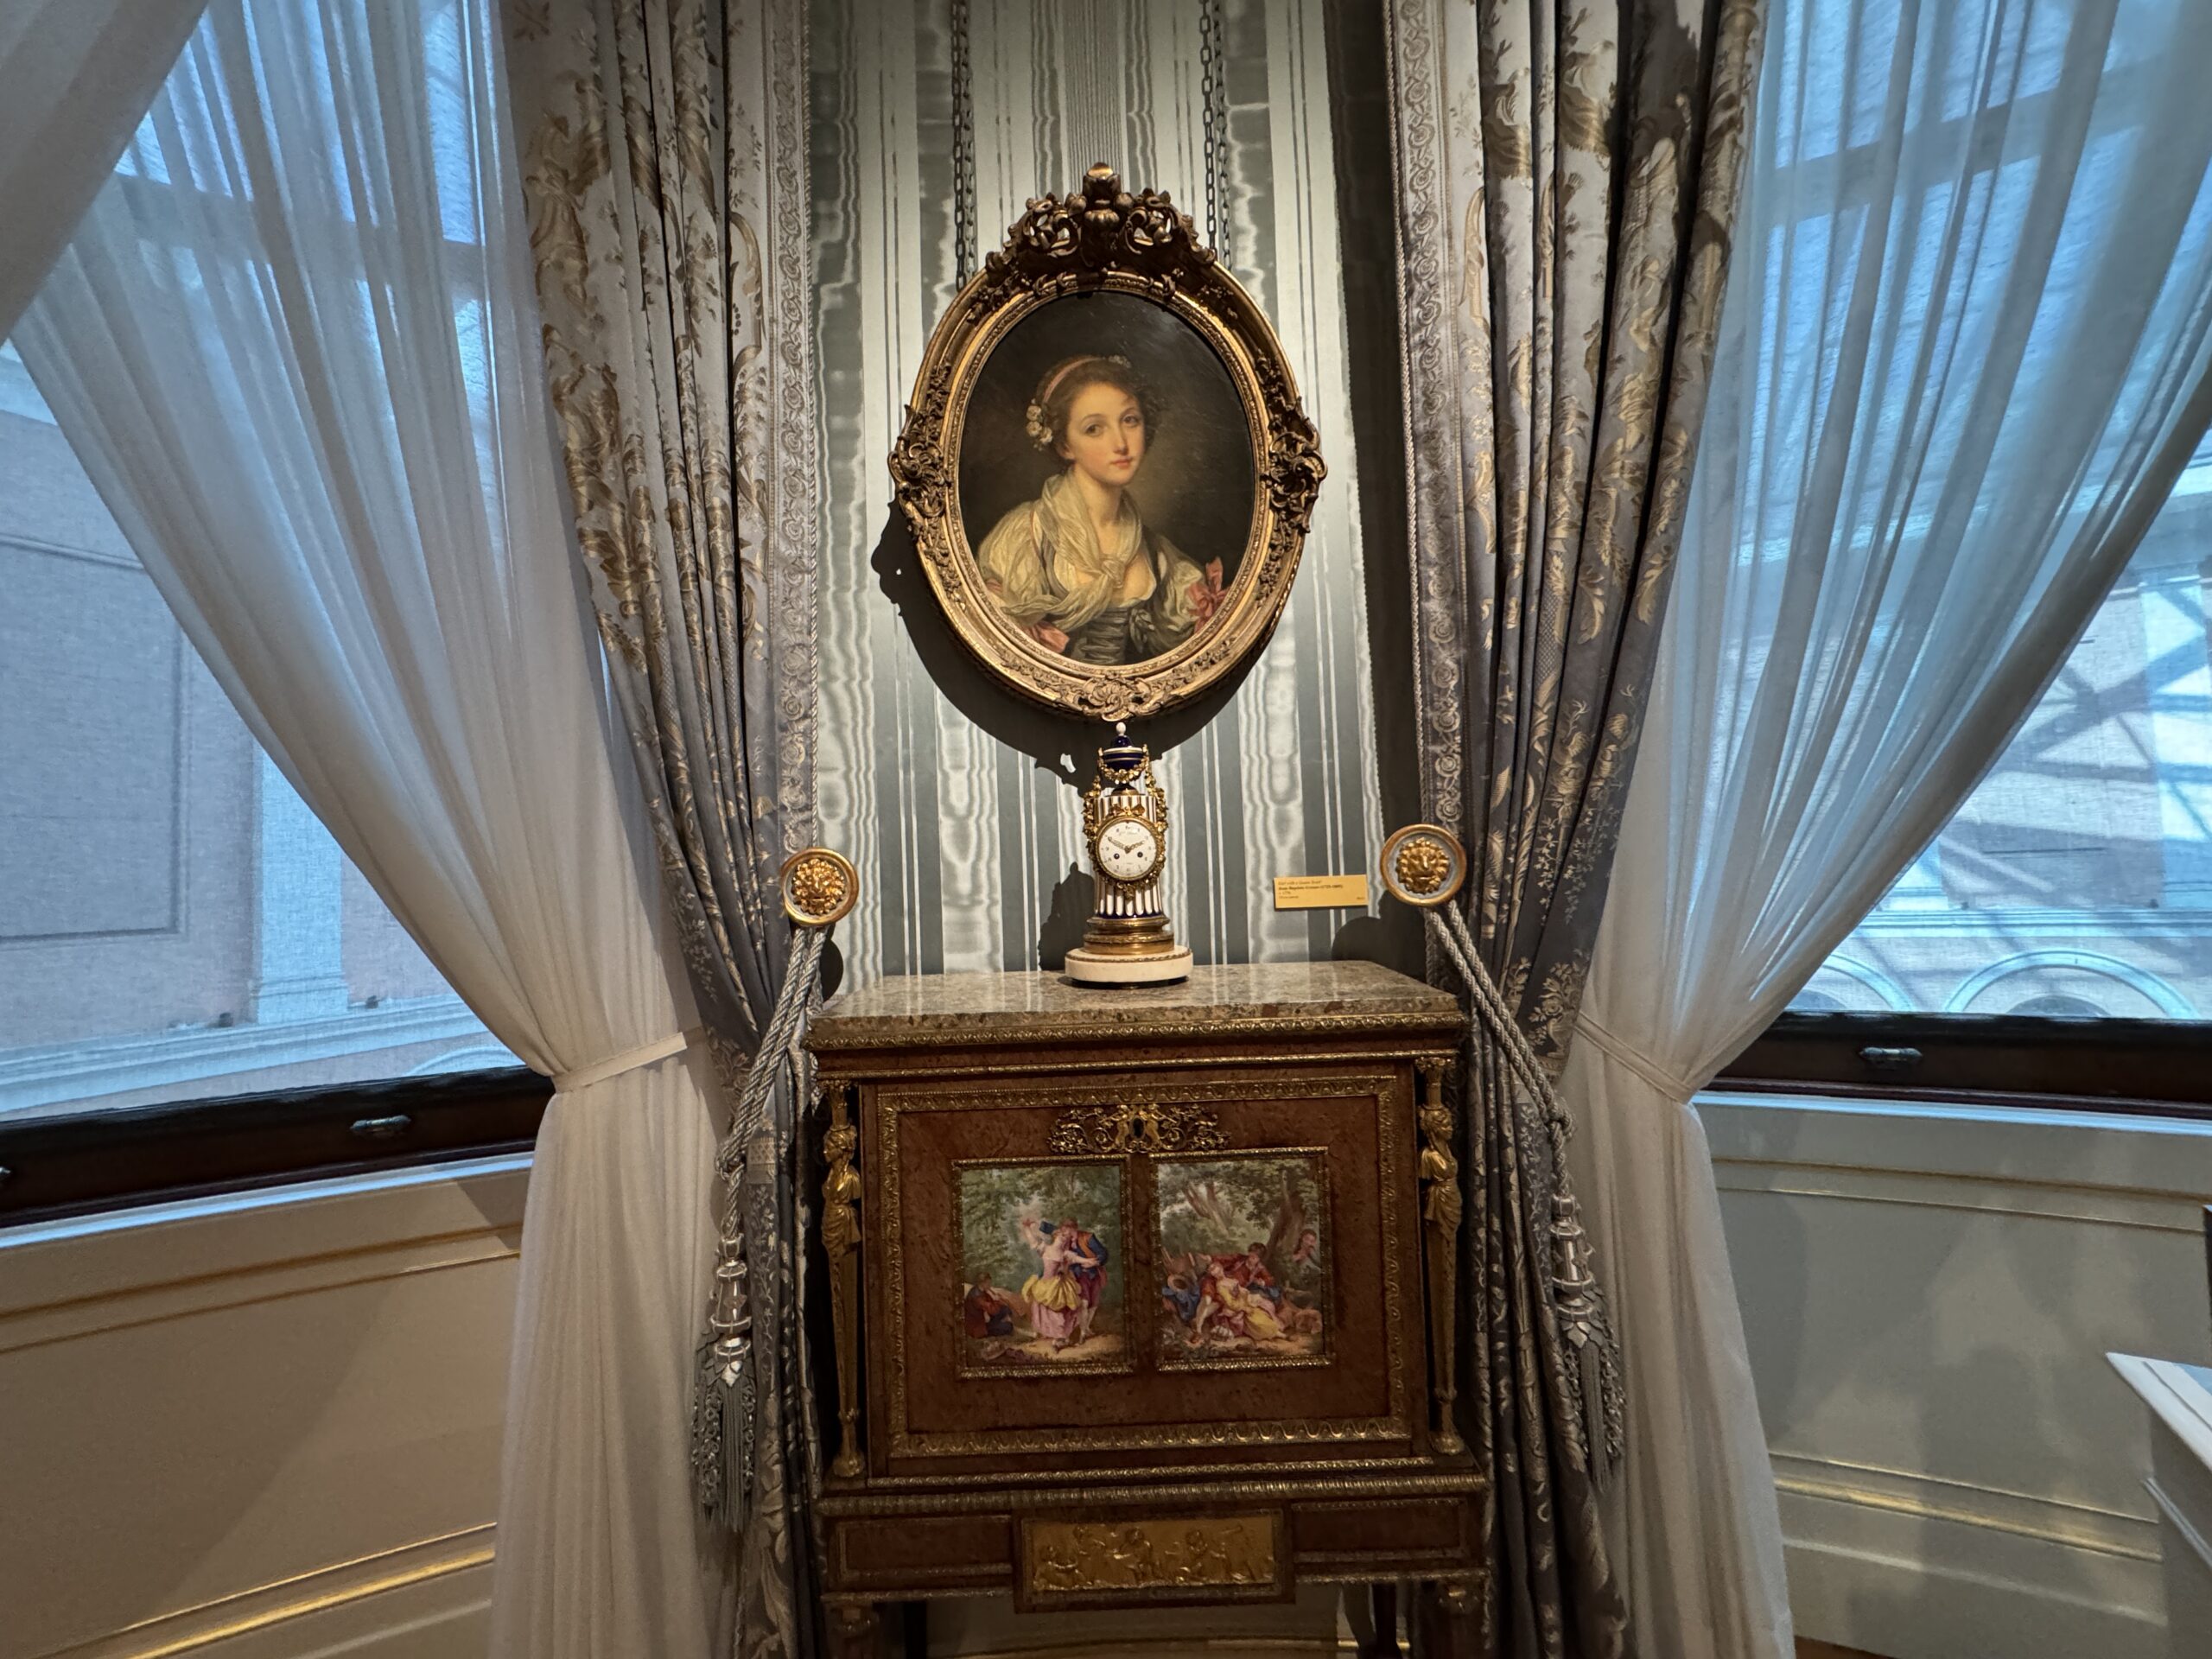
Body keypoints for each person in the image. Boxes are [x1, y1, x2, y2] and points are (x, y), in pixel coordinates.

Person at [976, 354, 1225, 666]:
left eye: (1130, 420)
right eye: (1094, 428)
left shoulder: (1154, 551)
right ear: (1065, 445)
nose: (1121, 443)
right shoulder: (1028, 534)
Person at [1018, 1214, 1090, 1350]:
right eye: (1061, 1236)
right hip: (1045, 1284)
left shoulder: (1065, 1254)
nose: (1063, 1238)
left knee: (1061, 1310)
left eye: (1066, 1238)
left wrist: (1089, 1261)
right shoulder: (1045, 1248)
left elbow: (1077, 1259)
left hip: (1058, 1285)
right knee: (1044, 1308)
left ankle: (1060, 1337)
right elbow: (1032, 1241)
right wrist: (1027, 1228)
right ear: (1055, 1236)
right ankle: (1050, 1335)